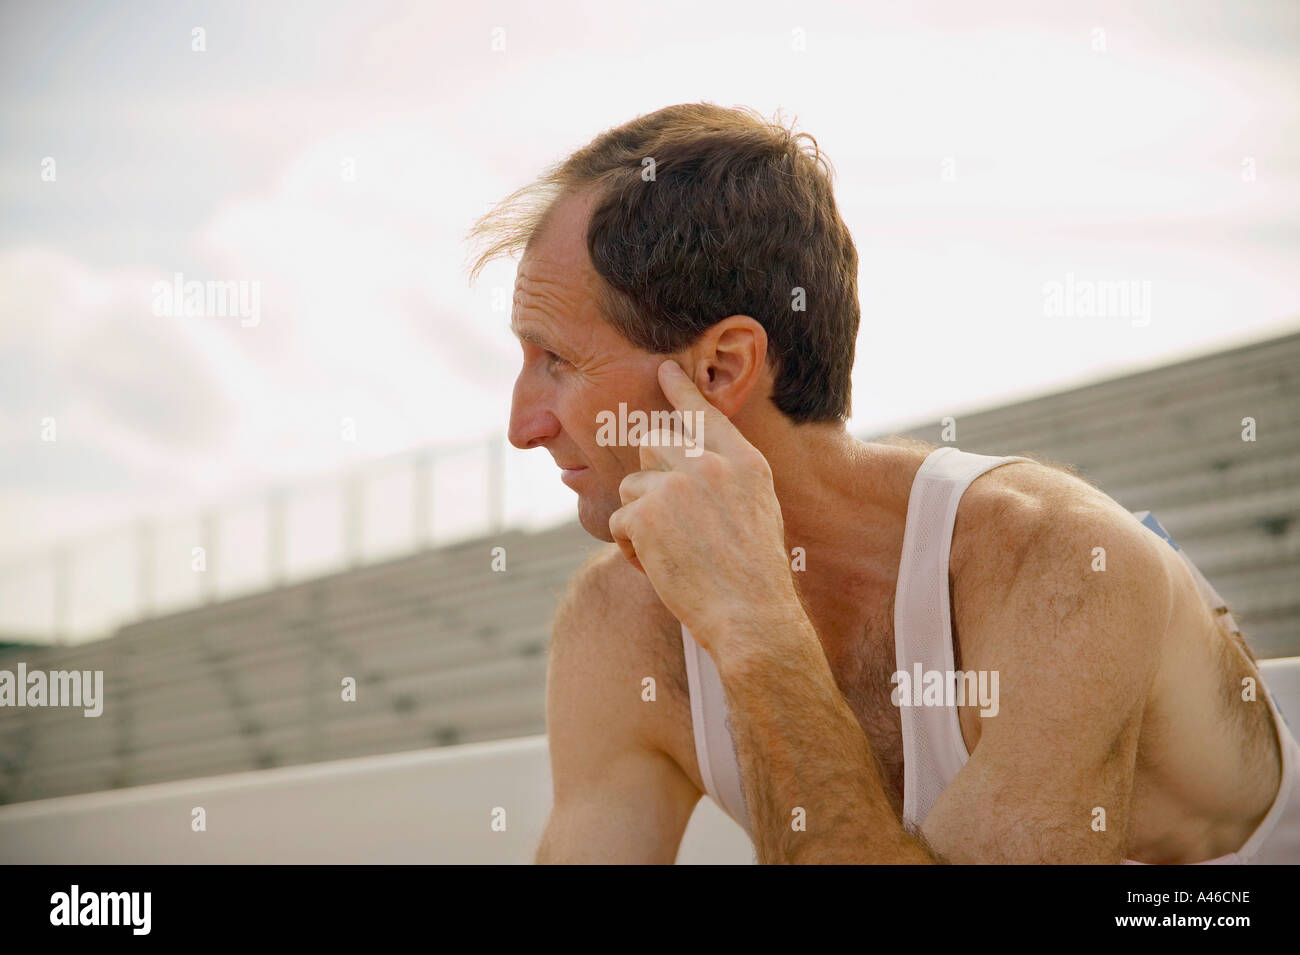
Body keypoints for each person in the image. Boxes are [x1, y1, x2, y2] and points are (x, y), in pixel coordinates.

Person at [468, 102, 1300, 864]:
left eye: (557, 361)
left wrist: (756, 627)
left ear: (721, 367)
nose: (523, 423)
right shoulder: (620, 623)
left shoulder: (1064, 566)